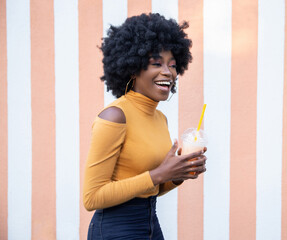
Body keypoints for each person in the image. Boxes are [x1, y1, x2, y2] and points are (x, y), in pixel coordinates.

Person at [83, 13, 207, 240]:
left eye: (172, 65)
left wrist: (178, 174)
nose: (168, 72)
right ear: (133, 67)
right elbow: (92, 197)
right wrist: (158, 173)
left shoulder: (160, 119)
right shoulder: (115, 116)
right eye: (156, 63)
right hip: (116, 230)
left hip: (150, 225)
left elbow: (152, 187)